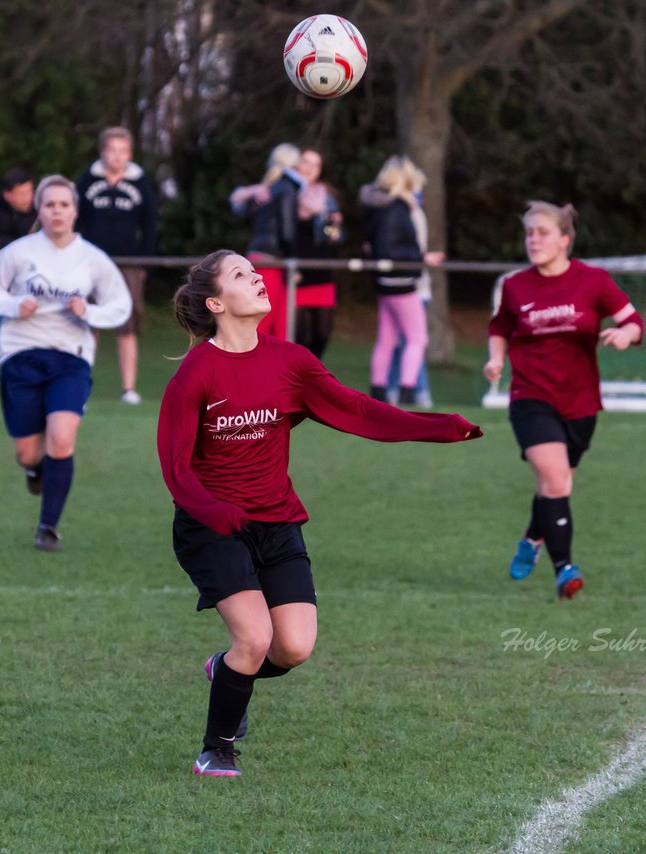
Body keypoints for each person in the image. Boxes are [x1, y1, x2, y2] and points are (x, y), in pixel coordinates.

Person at [157, 249, 483, 777]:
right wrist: (212, 512)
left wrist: (437, 425)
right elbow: (175, 468)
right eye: (242, 274)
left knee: (294, 648)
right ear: (216, 302)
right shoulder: (195, 375)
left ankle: (224, 672)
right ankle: (216, 750)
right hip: (210, 526)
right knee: (255, 638)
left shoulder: (290, 361)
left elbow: (355, 409)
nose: (258, 277)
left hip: (277, 521)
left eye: (254, 269)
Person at [483, 201, 643, 600]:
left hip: (581, 402)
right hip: (530, 396)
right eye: (529, 233)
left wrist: (625, 335)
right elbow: (500, 324)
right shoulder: (516, 285)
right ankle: (564, 569)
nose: (533, 240)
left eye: (542, 233)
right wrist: (496, 357)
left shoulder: (594, 281)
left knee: (557, 482)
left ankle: (533, 535)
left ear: (565, 240)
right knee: (555, 479)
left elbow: (633, 321)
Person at [0, 175, 131, 551]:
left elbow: (120, 305)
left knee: (61, 440)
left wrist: (88, 311)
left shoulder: (92, 259)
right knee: (28, 452)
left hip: (70, 357)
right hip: (21, 354)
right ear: (39, 210)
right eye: (49, 205)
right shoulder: (18, 252)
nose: (57, 211)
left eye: (64, 205)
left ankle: (48, 527)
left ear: (75, 210)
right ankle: (33, 468)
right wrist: (14, 305)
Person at [75, 127, 158, 405]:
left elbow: (150, 225)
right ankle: (79, 386)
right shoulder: (87, 181)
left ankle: (128, 389)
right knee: (88, 322)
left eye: (123, 151)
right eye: (112, 150)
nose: (117, 156)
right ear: (103, 152)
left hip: (128, 264)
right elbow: (75, 220)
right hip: (90, 263)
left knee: (127, 325)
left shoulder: (140, 184)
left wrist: (144, 261)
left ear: (130, 154)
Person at [362, 156, 444, 406]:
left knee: (387, 339)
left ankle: (379, 390)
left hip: (385, 283)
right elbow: (390, 249)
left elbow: (372, 246)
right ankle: (407, 392)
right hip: (401, 282)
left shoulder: (377, 207)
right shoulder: (396, 208)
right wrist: (421, 258)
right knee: (417, 338)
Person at [229, 143, 302, 340]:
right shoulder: (286, 188)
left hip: (257, 255)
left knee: (265, 320)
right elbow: (287, 231)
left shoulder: (265, 190)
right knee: (270, 323)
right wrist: (293, 261)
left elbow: (241, 208)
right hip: (273, 258)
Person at [289, 148, 344, 359]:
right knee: (299, 335)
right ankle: (297, 380)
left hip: (321, 269)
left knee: (322, 333)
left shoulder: (326, 196)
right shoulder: (287, 192)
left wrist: (335, 228)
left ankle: (309, 375)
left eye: (316, 164)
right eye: (306, 162)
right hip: (297, 271)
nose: (311, 168)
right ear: (296, 164)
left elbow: (336, 235)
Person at [0, 168, 37, 340]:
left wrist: (2, 241)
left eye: (30, 191)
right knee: (3, 339)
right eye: (22, 193)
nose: (28, 198)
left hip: (34, 285)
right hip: (4, 286)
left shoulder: (40, 209)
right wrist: (21, 244)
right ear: (8, 195)